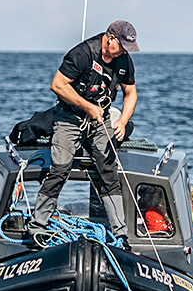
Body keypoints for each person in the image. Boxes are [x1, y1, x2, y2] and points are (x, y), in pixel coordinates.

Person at [27, 20, 140, 250]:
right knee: (60, 167)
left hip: (101, 120)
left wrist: (122, 121)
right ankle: (37, 226)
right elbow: (57, 85)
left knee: (108, 170)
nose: (125, 52)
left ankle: (120, 234)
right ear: (110, 38)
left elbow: (131, 93)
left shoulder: (125, 61)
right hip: (70, 118)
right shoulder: (82, 54)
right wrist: (87, 107)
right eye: (122, 46)